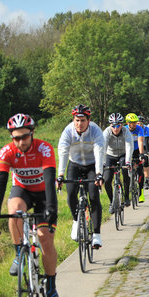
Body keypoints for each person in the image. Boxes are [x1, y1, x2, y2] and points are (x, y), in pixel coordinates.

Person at [0, 114, 61, 297]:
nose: (21, 141)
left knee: (45, 237)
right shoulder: (6, 152)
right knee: (14, 210)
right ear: (11, 137)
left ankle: (50, 286)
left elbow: (50, 180)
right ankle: (19, 253)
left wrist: (51, 208)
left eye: (25, 136)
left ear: (32, 133)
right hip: (22, 190)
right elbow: (0, 182)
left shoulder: (44, 148)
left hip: (43, 193)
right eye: (16, 138)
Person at [57, 104, 105, 248]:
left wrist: (98, 173)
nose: (79, 123)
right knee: (71, 194)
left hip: (92, 166)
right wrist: (60, 174)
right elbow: (63, 151)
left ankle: (96, 235)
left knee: (93, 196)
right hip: (75, 164)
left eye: (82, 120)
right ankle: (76, 221)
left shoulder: (95, 131)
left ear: (88, 120)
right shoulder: (68, 131)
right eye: (76, 120)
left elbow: (99, 151)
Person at [102, 113, 133, 214]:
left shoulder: (126, 131)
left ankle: (127, 197)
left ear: (122, 125)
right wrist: (102, 163)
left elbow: (129, 146)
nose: (116, 128)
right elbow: (103, 148)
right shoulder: (106, 132)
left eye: (118, 125)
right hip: (110, 155)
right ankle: (112, 202)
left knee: (125, 172)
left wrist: (128, 162)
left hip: (123, 155)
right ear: (110, 125)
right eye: (113, 126)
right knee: (106, 180)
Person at [125, 113, 148, 202]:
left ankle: (141, 192)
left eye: (135, 122)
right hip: (127, 150)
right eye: (132, 122)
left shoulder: (139, 129)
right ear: (128, 123)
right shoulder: (125, 130)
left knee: (140, 171)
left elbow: (140, 141)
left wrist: (141, 154)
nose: (134, 124)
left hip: (137, 150)